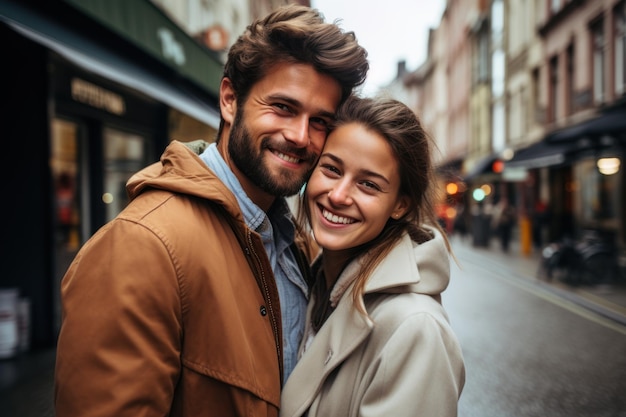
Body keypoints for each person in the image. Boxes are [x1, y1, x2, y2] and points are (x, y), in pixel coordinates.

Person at [54, 5, 368, 417]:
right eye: (283, 108)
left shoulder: (296, 245)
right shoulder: (142, 245)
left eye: (320, 121)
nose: (300, 136)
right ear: (230, 100)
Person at [281, 96, 465, 417]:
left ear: (400, 205)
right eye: (331, 169)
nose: (338, 196)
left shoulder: (416, 330)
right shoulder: (319, 285)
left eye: (368, 184)